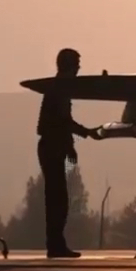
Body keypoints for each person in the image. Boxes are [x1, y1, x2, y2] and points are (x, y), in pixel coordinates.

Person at [36, 48, 101, 258]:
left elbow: (60, 123)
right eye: (76, 64)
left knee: (56, 198)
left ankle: (56, 244)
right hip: (53, 148)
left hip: (53, 147)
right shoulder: (60, 90)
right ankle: (56, 245)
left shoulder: (56, 89)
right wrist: (86, 132)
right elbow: (63, 122)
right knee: (58, 200)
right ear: (69, 65)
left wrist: (70, 145)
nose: (79, 68)